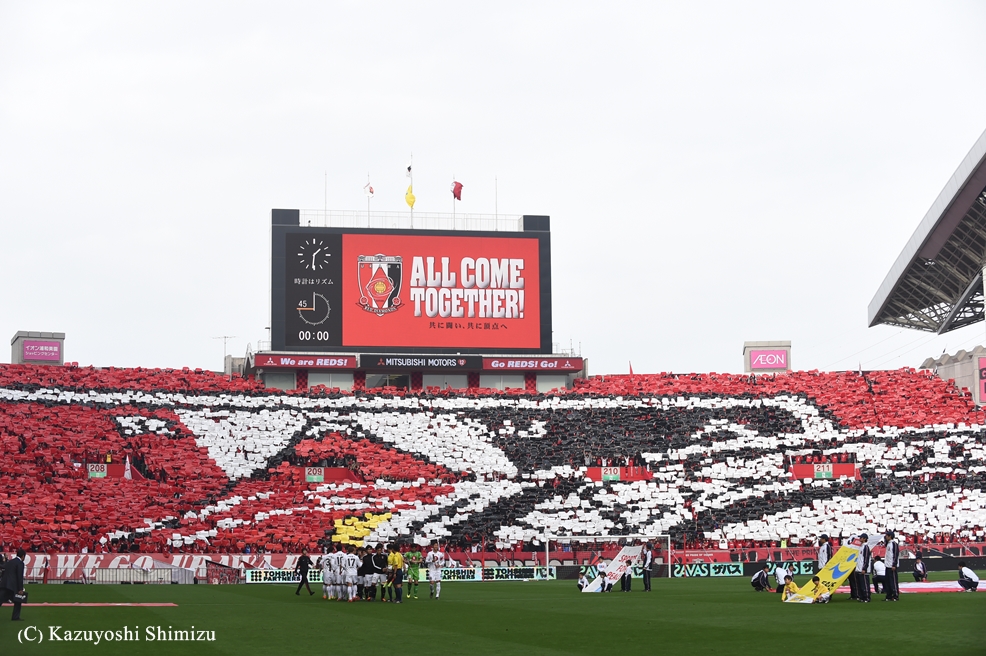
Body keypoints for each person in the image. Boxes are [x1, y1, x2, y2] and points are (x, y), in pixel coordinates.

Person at [0, 549, 26, 621]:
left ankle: (15, 617)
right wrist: (20, 588)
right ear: (23, 556)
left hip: (4, 584)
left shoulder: (10, 562)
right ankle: (15, 617)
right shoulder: (20, 563)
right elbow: (19, 576)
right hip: (12, 586)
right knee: (18, 601)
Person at [855, 533, 872, 603]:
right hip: (859, 568)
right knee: (860, 584)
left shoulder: (866, 547)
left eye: (861, 537)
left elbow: (866, 559)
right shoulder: (861, 547)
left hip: (863, 569)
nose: (860, 539)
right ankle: (862, 597)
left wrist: (864, 568)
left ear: (864, 539)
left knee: (864, 584)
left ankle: (867, 597)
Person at [883, 532, 899, 601]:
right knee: (888, 581)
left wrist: (894, 564)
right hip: (887, 565)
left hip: (892, 566)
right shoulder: (888, 544)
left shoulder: (894, 544)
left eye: (887, 535)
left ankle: (895, 595)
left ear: (890, 536)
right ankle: (889, 595)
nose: (886, 537)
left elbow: (896, 554)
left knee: (893, 581)